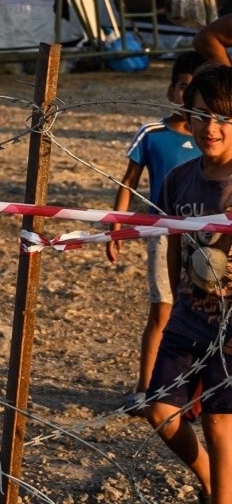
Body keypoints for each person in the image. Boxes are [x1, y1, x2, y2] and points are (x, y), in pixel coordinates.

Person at [146, 64, 232, 504]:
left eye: (223, 118)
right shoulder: (179, 179)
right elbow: (175, 243)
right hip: (189, 317)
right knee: (159, 407)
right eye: (200, 115)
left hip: (231, 326)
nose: (210, 127)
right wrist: (178, 298)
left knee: (219, 420)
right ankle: (212, 481)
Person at [107, 51, 204, 413]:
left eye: (196, 91)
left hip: (207, 237)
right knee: (163, 312)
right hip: (162, 232)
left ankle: (194, 395)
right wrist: (115, 225)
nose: (187, 97)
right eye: (183, 88)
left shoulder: (213, 137)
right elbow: (128, 183)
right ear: (171, 91)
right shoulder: (152, 134)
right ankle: (145, 390)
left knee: (204, 313)